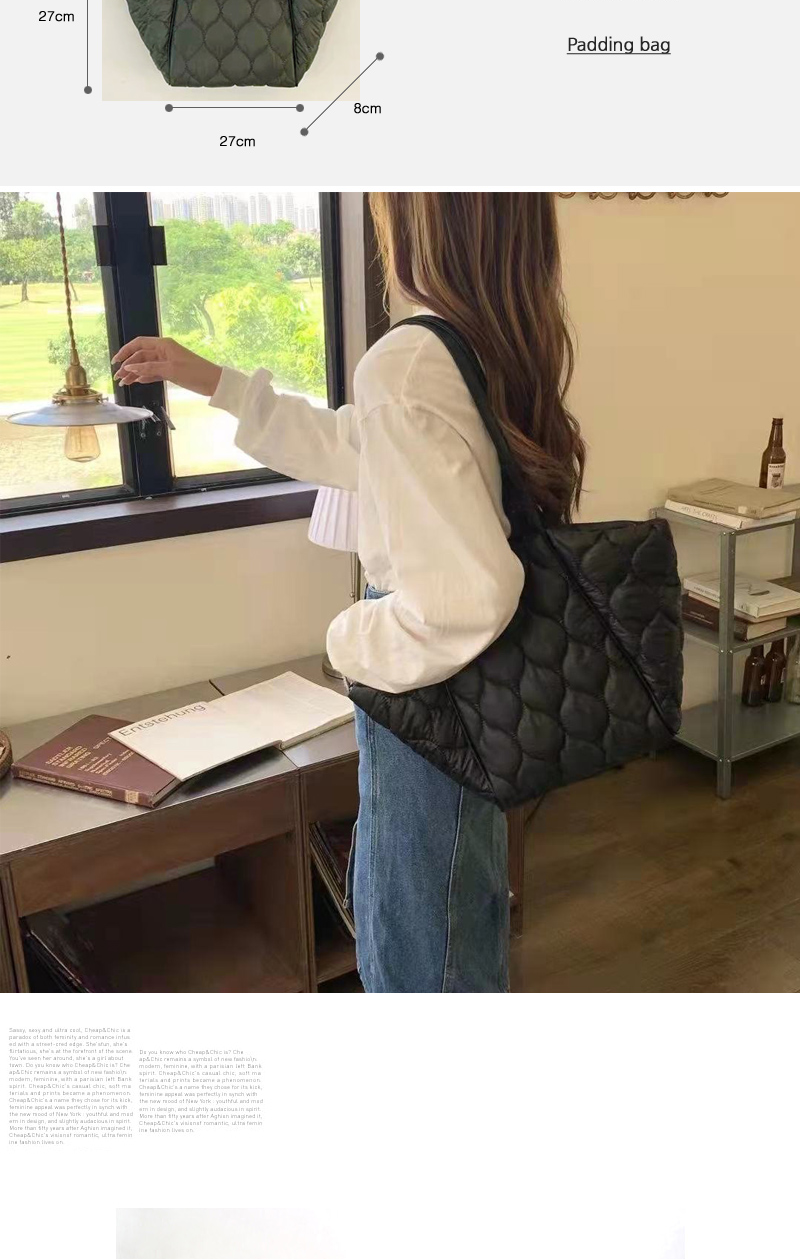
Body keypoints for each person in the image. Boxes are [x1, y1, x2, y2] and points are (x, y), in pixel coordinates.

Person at [113, 192, 584, 994]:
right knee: (454, 918)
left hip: (426, 690)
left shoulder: (411, 361)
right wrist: (211, 379)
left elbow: (467, 596)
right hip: (478, 694)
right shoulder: (488, 344)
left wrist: (349, 633)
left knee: (416, 947)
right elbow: (358, 447)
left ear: (426, 220)